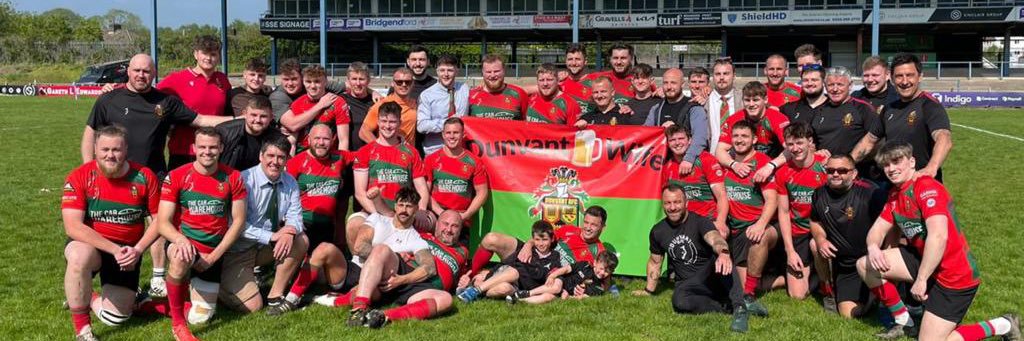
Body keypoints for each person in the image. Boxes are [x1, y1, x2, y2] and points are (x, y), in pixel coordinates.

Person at [82, 53, 235, 299]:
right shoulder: (109, 99)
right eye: (137, 70)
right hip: (112, 177)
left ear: (154, 74)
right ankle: (83, 281)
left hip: (152, 175)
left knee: (159, 224)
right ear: (128, 72)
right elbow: (90, 133)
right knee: (106, 224)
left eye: (146, 71)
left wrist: (241, 119)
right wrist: (89, 169)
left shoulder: (166, 102)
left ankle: (157, 277)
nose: (141, 75)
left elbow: (201, 120)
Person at [857, 142, 1020, 340]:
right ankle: (905, 323)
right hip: (926, 261)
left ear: (912, 162)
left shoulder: (926, 187)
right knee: (865, 265)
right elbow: (876, 231)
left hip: (955, 276)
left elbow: (938, 236)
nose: (891, 169)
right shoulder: (895, 195)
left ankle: (1003, 324)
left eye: (896, 161)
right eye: (886, 165)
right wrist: (873, 247)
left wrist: (921, 279)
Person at [62, 125, 162, 341]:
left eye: (116, 150)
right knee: (79, 256)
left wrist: (137, 250)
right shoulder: (80, 176)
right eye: (104, 149)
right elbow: (73, 226)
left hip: (128, 252)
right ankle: (83, 330)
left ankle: (83, 295)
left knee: (114, 318)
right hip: (92, 246)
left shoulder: (144, 176)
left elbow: (159, 220)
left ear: (126, 149)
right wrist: (114, 249)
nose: (110, 155)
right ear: (95, 149)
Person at [157, 127, 246, 341]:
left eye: (213, 147)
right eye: (203, 147)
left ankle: (157, 304)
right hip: (186, 244)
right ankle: (178, 325)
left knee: (200, 317)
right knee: (179, 257)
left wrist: (214, 256)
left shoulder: (233, 176)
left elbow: (239, 221)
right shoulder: (177, 175)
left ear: (221, 148)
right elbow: (162, 223)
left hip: (213, 252)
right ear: (194, 148)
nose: (208, 151)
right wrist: (181, 240)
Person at [633, 183, 749, 333]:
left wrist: (724, 252)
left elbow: (715, 239)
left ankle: (739, 307)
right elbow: (655, 262)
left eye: (677, 202)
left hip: (711, 278)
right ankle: (728, 307)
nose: (672, 207)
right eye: (668, 203)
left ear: (686, 203)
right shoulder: (658, 231)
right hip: (688, 285)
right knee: (679, 302)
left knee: (720, 256)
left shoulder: (700, 222)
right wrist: (648, 291)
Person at [344, 187, 453, 329]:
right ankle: (359, 309)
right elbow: (359, 247)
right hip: (367, 273)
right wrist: (387, 256)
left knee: (445, 299)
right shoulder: (378, 219)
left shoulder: (416, 239)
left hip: (397, 283)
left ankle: (383, 316)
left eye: (409, 206)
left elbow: (430, 268)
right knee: (381, 249)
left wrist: (401, 280)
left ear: (416, 210)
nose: (404, 210)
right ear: (395, 206)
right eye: (401, 205)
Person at [222, 137, 308, 316]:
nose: (275, 162)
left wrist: (289, 232)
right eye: (270, 156)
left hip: (265, 247)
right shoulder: (243, 180)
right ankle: (212, 288)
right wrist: (272, 236)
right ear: (261, 156)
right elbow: (235, 224)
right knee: (253, 306)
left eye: (281, 157)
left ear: (286, 160)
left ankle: (275, 295)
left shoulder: (290, 182)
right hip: (238, 251)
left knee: (301, 240)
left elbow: (296, 218)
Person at [810, 154, 886, 318]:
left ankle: (878, 293)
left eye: (842, 170)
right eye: (830, 170)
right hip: (845, 266)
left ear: (854, 173)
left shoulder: (871, 193)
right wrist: (821, 240)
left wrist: (883, 251)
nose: (835, 174)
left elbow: (889, 225)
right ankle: (828, 293)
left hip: (869, 261)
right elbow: (815, 222)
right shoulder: (819, 194)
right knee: (848, 314)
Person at [348, 102, 430, 250]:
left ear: (400, 123)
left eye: (392, 122)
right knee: (354, 224)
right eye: (384, 121)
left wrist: (421, 210)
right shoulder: (365, 152)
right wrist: (382, 217)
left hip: (404, 212)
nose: (387, 126)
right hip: (373, 211)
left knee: (431, 222)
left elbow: (422, 189)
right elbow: (360, 194)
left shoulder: (411, 152)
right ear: (378, 122)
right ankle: (358, 265)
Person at [465, 206, 611, 279]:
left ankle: (485, 277)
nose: (587, 228)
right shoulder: (569, 230)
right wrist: (528, 245)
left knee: (500, 280)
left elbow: (601, 278)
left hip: (544, 272)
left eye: (593, 225)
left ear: (603, 228)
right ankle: (469, 274)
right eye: (586, 222)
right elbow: (542, 237)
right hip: (533, 254)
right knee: (491, 239)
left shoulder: (599, 252)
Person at [721, 120, 774, 318]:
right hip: (734, 228)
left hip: (759, 225)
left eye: (744, 136)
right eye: (735, 136)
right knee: (736, 284)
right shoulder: (726, 161)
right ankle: (777, 279)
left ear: (754, 139)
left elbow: (772, 199)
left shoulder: (761, 162)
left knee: (759, 237)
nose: (739, 140)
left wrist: (760, 224)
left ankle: (750, 296)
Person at [773, 122, 831, 302]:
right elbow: (783, 212)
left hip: (823, 230)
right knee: (797, 295)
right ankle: (812, 273)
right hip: (799, 231)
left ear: (810, 142)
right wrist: (790, 250)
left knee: (818, 247)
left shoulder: (826, 166)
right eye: (790, 144)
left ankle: (827, 284)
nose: (795, 148)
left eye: (799, 143)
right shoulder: (783, 172)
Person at [159, 35, 232, 171]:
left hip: (212, 151)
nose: (208, 58)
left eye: (213, 54)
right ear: (196, 54)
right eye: (204, 53)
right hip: (184, 152)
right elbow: (148, 93)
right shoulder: (177, 79)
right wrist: (113, 87)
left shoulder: (222, 80)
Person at [878, 53, 952, 182]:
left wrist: (931, 168)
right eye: (899, 76)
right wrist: (847, 161)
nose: (905, 81)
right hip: (895, 185)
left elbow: (944, 137)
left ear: (920, 77)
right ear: (892, 79)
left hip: (921, 185)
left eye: (910, 75)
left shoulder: (929, 105)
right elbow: (870, 140)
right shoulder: (889, 109)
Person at [457, 221, 564, 302]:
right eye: (537, 240)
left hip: (518, 286)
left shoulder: (554, 257)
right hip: (509, 273)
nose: (541, 244)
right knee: (514, 272)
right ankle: (475, 290)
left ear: (552, 239)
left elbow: (554, 276)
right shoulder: (528, 251)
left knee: (504, 288)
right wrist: (488, 275)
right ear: (533, 239)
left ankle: (479, 294)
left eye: (544, 240)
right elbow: (507, 264)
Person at [714, 81, 790, 183]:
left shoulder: (777, 118)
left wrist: (770, 165)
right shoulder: (734, 119)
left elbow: (791, 148)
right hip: (744, 168)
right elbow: (719, 150)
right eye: (747, 100)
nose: (751, 104)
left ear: (766, 100)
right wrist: (734, 164)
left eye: (755, 100)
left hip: (772, 168)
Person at [814, 66, 882, 177]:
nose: (835, 89)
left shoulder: (863, 108)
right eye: (831, 85)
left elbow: (877, 141)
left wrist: (850, 162)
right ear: (825, 86)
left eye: (840, 84)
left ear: (850, 86)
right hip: (825, 173)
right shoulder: (819, 110)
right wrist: (815, 152)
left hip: (857, 174)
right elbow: (812, 141)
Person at [661, 125, 728, 233]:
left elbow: (721, 195)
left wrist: (720, 222)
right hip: (681, 225)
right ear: (668, 144)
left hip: (708, 221)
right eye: (672, 140)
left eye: (681, 138)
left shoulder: (706, 160)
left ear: (690, 140)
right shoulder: (667, 166)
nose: (677, 143)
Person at [424, 117, 489, 225]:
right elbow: (425, 191)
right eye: (448, 133)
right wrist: (441, 213)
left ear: (463, 134)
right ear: (443, 135)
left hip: (462, 220)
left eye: (456, 133)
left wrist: (466, 215)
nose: (452, 136)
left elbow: (482, 192)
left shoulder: (474, 162)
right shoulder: (430, 160)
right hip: (436, 216)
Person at [645, 68, 710, 173]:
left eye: (673, 83)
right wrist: (662, 130)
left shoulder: (694, 107)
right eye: (666, 83)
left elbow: (700, 137)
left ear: (682, 84)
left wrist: (688, 159)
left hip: (687, 166)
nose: (669, 87)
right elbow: (645, 134)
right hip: (661, 166)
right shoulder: (656, 108)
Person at [280, 64, 351, 151]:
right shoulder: (297, 103)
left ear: (325, 82)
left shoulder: (337, 102)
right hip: (303, 156)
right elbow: (292, 141)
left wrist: (340, 163)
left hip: (329, 156)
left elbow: (343, 140)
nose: (313, 86)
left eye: (317, 82)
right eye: (308, 82)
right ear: (303, 82)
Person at [508, 250, 618, 304]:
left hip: (564, 292)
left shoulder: (599, 286)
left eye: (607, 271)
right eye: (601, 268)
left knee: (548, 298)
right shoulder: (585, 265)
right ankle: (527, 293)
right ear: (595, 263)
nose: (603, 272)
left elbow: (583, 297)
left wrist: (568, 298)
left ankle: (519, 300)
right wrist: (553, 276)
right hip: (560, 281)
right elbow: (566, 269)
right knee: (556, 287)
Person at [340, 62, 376, 215]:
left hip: (367, 162)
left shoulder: (376, 102)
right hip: (346, 160)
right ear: (348, 81)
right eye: (354, 79)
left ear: (368, 80)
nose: (358, 83)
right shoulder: (340, 100)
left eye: (362, 79)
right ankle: (339, 240)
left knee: (362, 205)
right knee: (340, 207)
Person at [268, 58, 353, 122]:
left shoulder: (313, 85)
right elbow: (292, 125)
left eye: (294, 79)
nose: (290, 83)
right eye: (286, 79)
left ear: (302, 78)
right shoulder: (278, 96)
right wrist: (320, 105)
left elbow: (350, 85)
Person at [417, 55, 469, 155]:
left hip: (460, 151)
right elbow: (421, 126)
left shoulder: (464, 89)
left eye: (450, 70)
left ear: (456, 71)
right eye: (442, 70)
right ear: (437, 71)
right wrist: (448, 124)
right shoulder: (427, 95)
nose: (446, 74)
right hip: (435, 151)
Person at [217, 96, 287, 170]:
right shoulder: (225, 132)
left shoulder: (276, 137)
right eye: (253, 115)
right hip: (228, 178)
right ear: (245, 114)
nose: (258, 120)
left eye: (263, 116)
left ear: (271, 117)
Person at [360, 68, 420, 143]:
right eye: (399, 82)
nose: (404, 85)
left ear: (413, 83)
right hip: (387, 153)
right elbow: (364, 132)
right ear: (392, 83)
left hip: (407, 152)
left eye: (408, 82)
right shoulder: (382, 105)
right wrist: (381, 149)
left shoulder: (416, 104)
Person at [469, 54, 529, 120]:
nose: (492, 75)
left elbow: (528, 124)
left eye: (496, 71)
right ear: (482, 72)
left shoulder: (519, 94)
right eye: (488, 72)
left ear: (504, 71)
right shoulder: (471, 96)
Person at [706, 57, 742, 149]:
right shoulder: (704, 101)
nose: (721, 77)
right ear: (712, 76)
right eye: (718, 74)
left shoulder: (744, 99)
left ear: (734, 75)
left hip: (738, 158)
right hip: (711, 157)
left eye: (726, 73)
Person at [559, 43, 594, 111]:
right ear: (565, 61)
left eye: (578, 59)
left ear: (585, 61)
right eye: (570, 59)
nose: (574, 63)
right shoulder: (558, 83)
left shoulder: (595, 82)